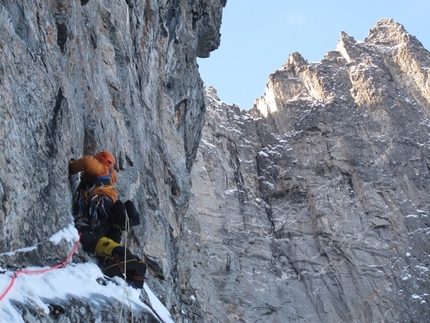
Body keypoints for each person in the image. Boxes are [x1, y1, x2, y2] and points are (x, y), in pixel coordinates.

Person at [69, 151, 148, 291]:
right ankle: (131, 266)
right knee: (106, 240)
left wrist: (72, 166)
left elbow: (87, 162)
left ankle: (122, 256)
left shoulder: (101, 169)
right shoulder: (110, 180)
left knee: (92, 238)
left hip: (100, 209)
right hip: (110, 215)